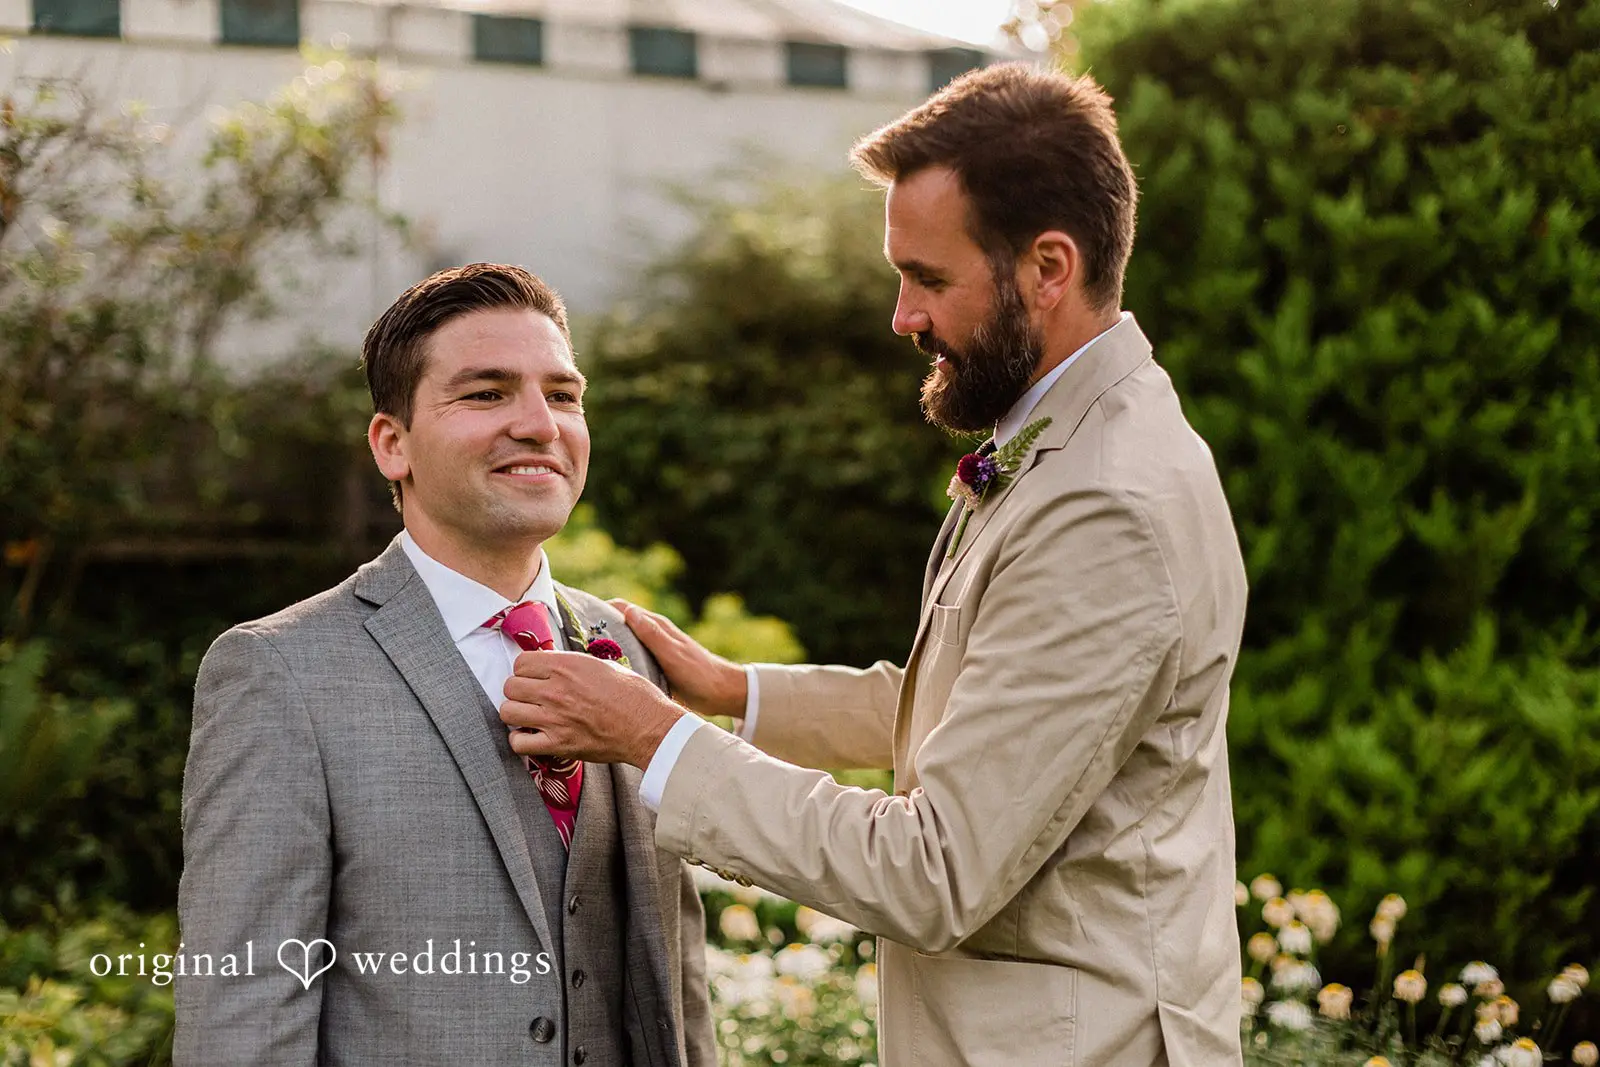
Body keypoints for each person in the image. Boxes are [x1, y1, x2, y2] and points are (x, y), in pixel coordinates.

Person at [496, 63, 1249, 1066]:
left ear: (1049, 267)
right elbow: (990, 710)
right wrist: (735, 692)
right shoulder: (1075, 430)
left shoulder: (1106, 501)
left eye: (928, 277)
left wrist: (654, 737)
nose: (901, 316)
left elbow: (932, 872)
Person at [175, 263, 716, 1066]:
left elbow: (676, 978)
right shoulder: (278, 673)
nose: (539, 424)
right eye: (487, 393)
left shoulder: (630, 648)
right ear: (392, 444)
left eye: (563, 395)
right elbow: (244, 1007)